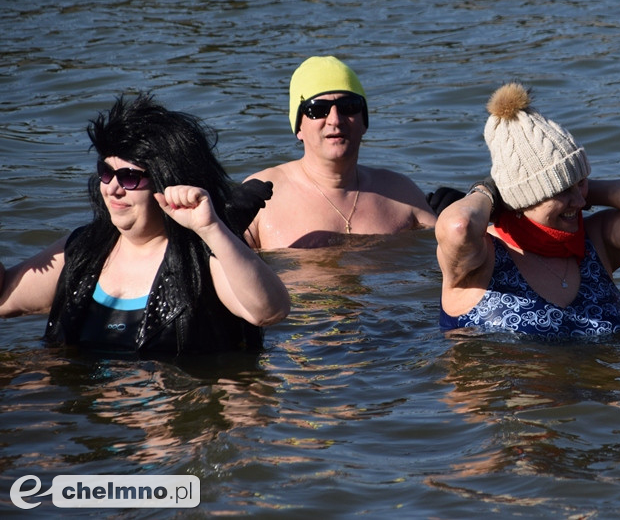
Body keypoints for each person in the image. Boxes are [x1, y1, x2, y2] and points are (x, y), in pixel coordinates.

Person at [0, 94, 290, 354]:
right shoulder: (82, 250)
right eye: (105, 172)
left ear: (168, 179)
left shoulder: (201, 258)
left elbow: (270, 311)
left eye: (129, 177)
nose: (112, 188)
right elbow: (4, 297)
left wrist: (212, 229)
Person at [435, 82, 620, 339]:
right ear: (521, 199)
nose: (580, 203)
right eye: (560, 192)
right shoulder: (480, 258)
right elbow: (459, 226)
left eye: (581, 184)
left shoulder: (595, 243)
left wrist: (577, 187)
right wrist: (489, 192)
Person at [244, 56, 438, 249]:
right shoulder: (262, 199)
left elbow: (451, 261)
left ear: (364, 122)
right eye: (318, 110)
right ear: (298, 127)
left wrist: (457, 213)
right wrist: (229, 227)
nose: (335, 120)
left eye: (349, 107)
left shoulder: (401, 192)